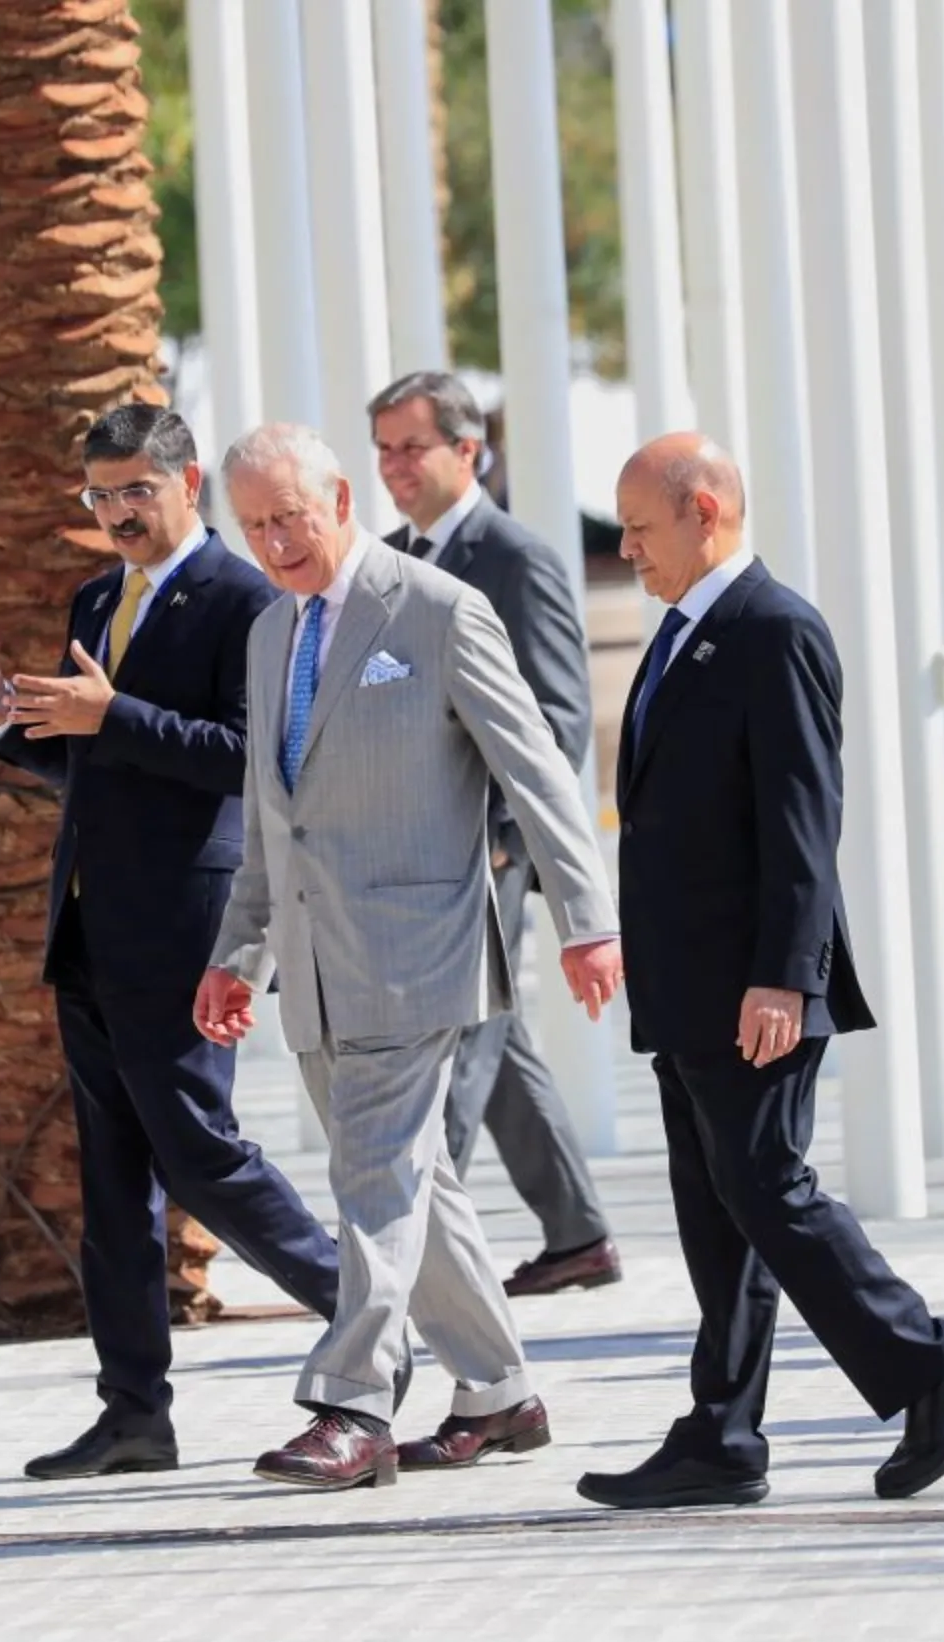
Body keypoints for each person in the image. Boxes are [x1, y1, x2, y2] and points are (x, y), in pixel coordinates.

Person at [578, 434, 944, 1511]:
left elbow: (804, 818)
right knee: (718, 1208)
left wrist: (784, 974)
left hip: (751, 985)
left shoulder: (774, 628)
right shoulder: (685, 633)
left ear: (706, 509)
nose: (626, 546)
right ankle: (722, 1432)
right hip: (688, 983)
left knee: (769, 1187)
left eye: (641, 524)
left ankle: (931, 1359)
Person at [194, 423, 622, 1491]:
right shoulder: (269, 632)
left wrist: (586, 915)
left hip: (418, 949)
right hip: (316, 961)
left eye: (289, 516)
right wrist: (237, 950)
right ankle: (497, 1389)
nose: (275, 542)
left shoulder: (435, 609)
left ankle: (351, 1401)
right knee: (412, 1180)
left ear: (340, 497)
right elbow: (270, 818)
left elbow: (538, 770)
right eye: (252, 526)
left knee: (371, 1178)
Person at [0, 403, 347, 1478]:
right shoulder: (95, 597)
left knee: (202, 1154)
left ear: (188, 482)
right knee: (111, 1179)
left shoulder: (243, 599)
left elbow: (254, 756)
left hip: (185, 928)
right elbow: (96, 758)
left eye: (135, 492)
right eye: (100, 495)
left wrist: (112, 716)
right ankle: (133, 1413)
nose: (117, 513)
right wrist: (2, 720)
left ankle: (372, 1309)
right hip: (91, 927)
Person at [368, 370, 620, 1296]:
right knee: (495, 1044)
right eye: (384, 449)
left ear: (467, 451)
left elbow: (558, 718)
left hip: (491, 852)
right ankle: (578, 1233)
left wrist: (510, 835)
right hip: (411, 854)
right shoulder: (388, 559)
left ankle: (411, 1269)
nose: (393, 466)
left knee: (457, 1058)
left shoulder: (517, 557)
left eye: (410, 447)